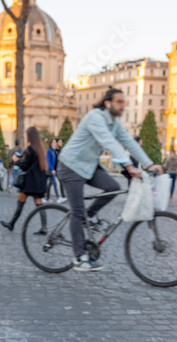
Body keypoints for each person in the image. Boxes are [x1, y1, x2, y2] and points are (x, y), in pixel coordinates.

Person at [57, 88, 159, 271]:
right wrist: (128, 166)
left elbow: (129, 142)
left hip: (88, 165)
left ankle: (87, 217)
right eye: (119, 102)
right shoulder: (95, 117)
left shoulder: (115, 122)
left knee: (113, 187)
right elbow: (108, 142)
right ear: (108, 103)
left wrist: (149, 164)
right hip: (71, 166)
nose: (123, 106)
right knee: (77, 211)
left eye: (123, 102)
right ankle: (79, 258)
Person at [1, 126, 49, 232]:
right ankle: (44, 227)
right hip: (38, 182)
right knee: (39, 204)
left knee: (20, 204)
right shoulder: (41, 149)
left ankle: (11, 224)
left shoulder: (31, 149)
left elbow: (25, 165)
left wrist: (15, 160)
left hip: (29, 182)